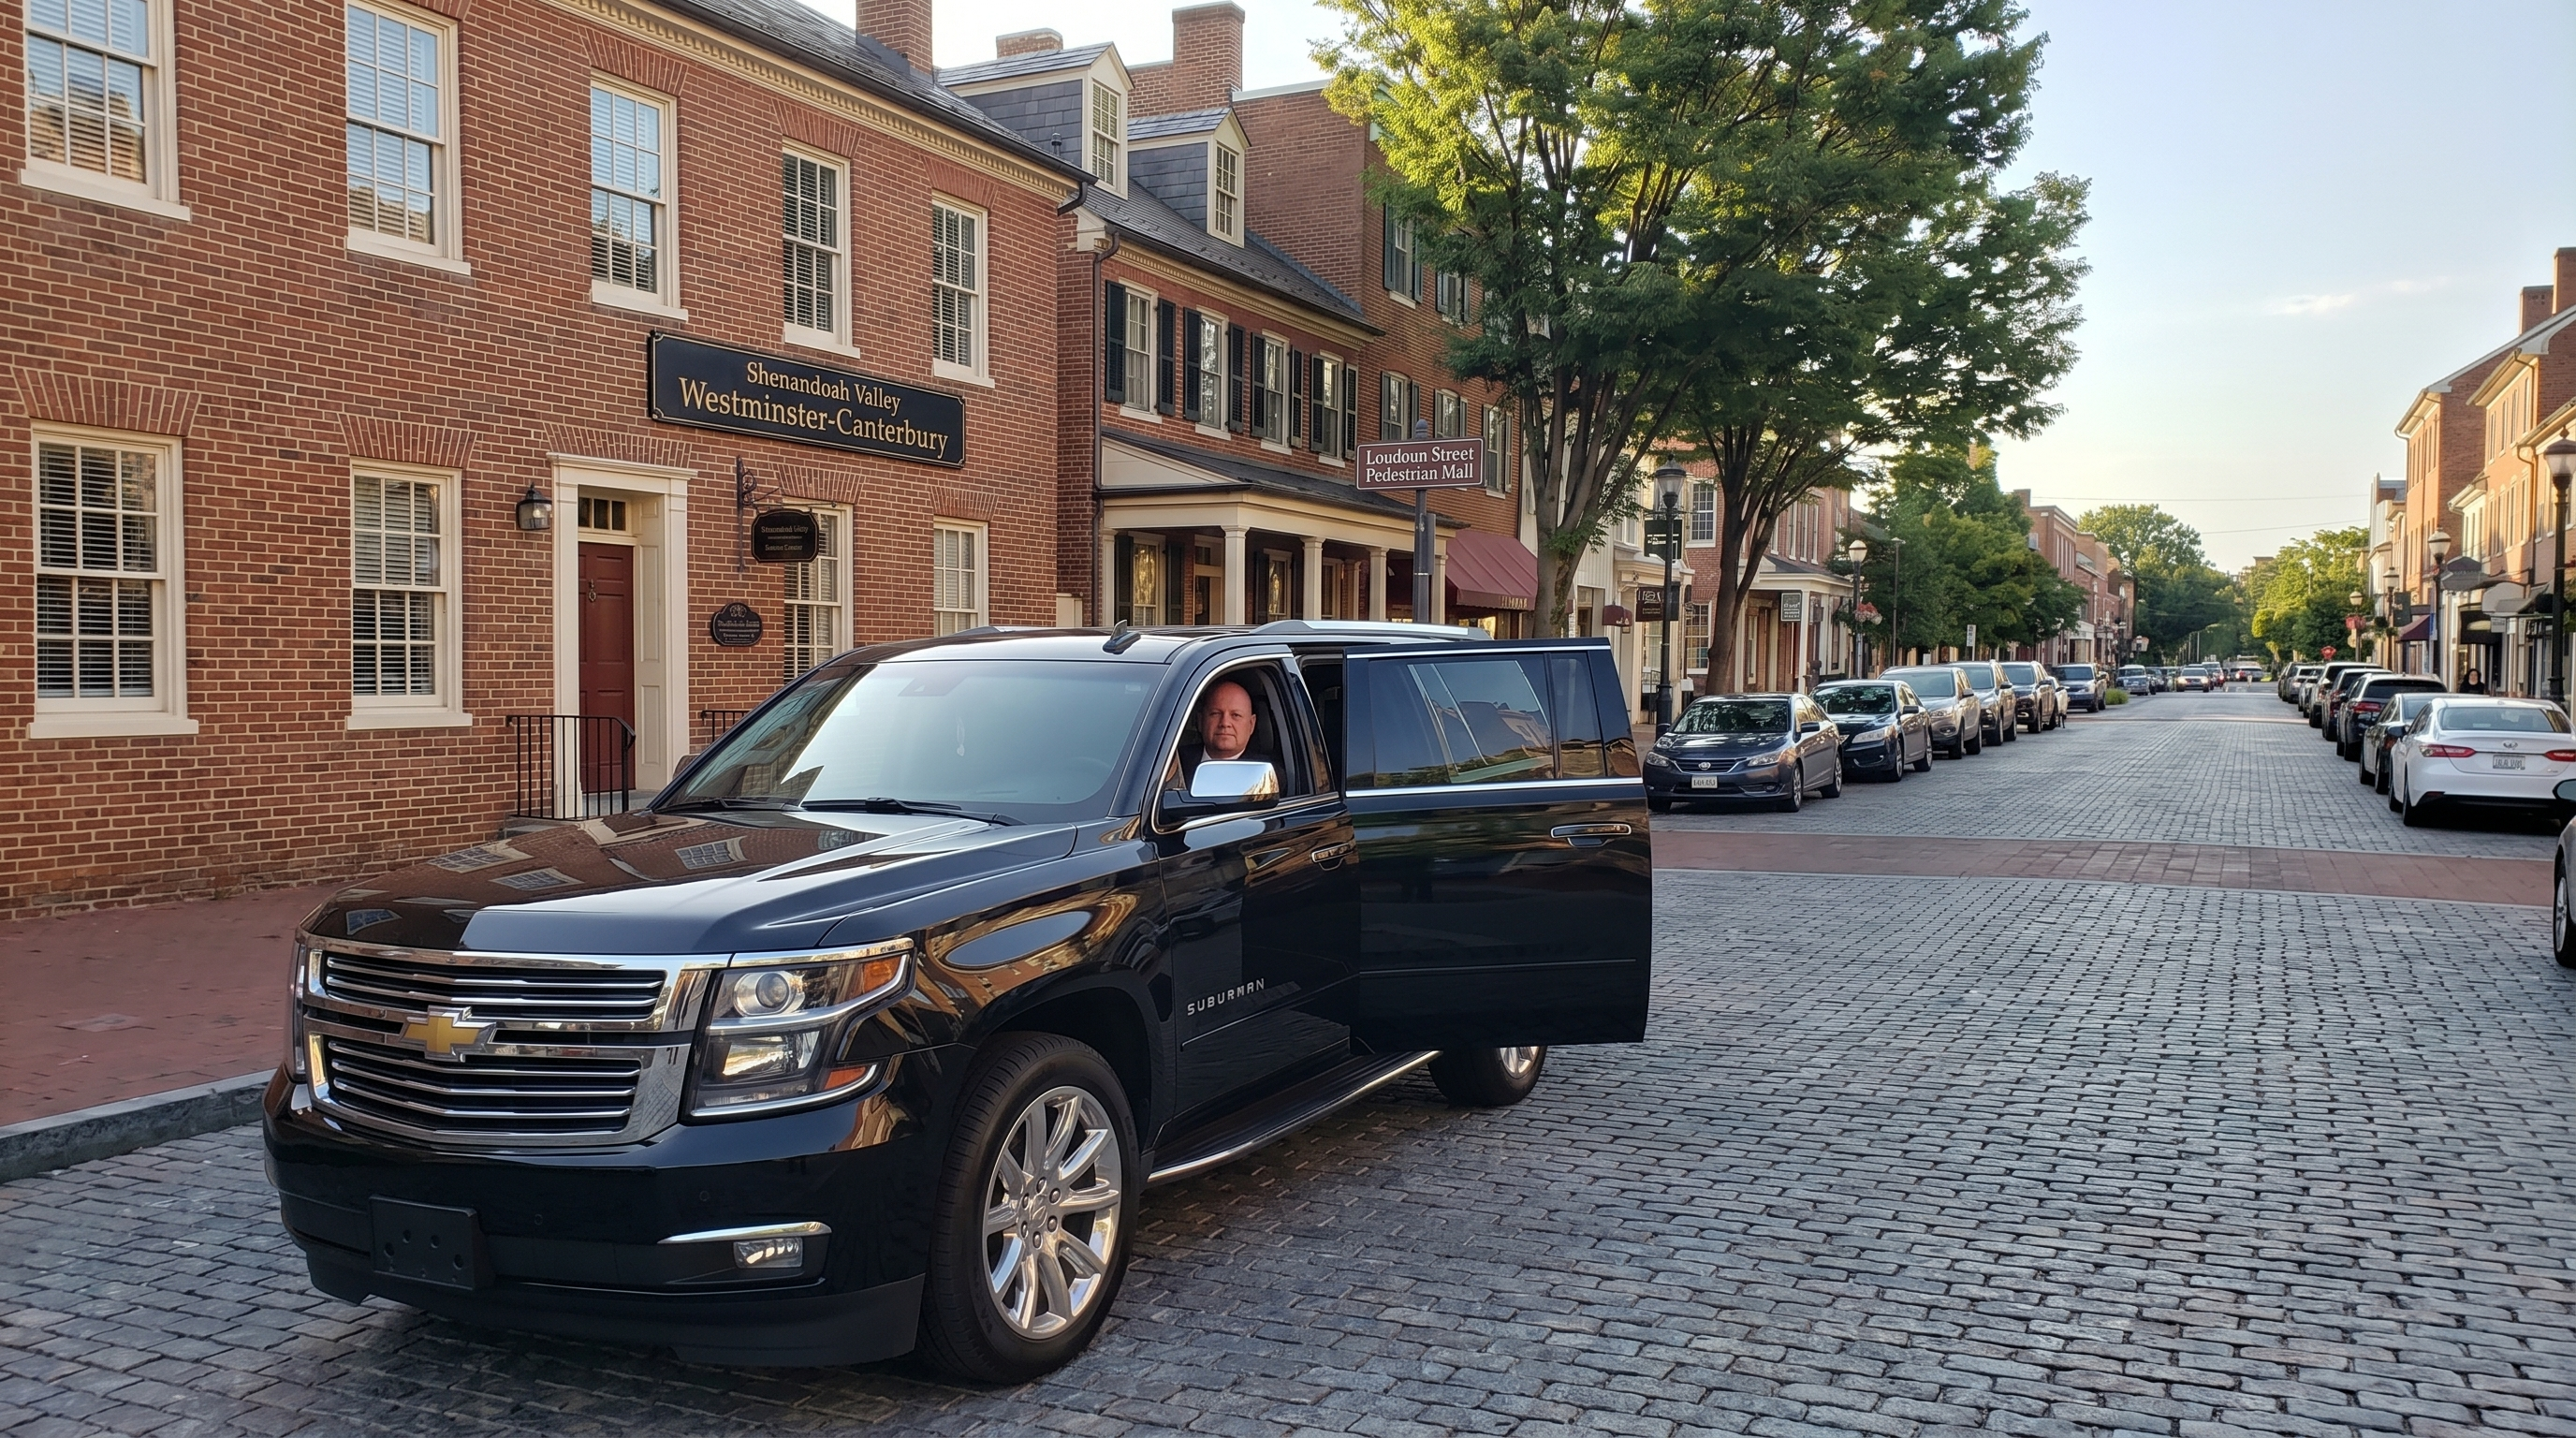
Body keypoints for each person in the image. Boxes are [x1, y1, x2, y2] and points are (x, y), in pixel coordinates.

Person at [1166, 679, 1259, 791]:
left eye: (1236, 715)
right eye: (1215, 714)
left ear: (1251, 724)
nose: (1225, 723)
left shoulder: (1266, 774)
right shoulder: (1172, 762)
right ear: (1200, 721)